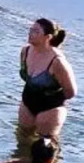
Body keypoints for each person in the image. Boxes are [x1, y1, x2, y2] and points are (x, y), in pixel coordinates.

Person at [16, 17, 75, 155]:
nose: (30, 33)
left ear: (47, 37)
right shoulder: (25, 51)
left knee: (46, 149)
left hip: (50, 109)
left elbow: (71, 92)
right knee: (21, 143)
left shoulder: (57, 62)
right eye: (31, 29)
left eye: (36, 31)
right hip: (28, 102)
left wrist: (49, 95)